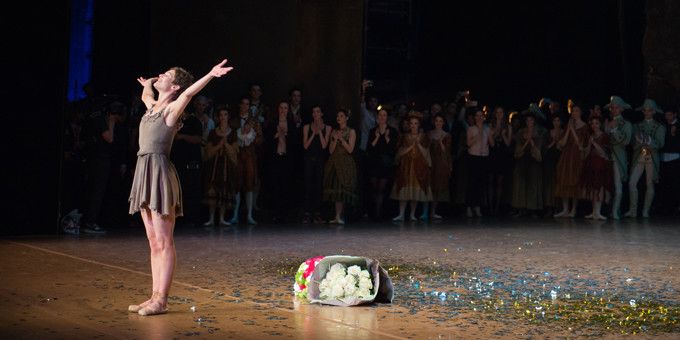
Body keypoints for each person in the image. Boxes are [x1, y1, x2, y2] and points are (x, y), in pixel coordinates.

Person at [128, 59, 233, 316]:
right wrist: (149, 83)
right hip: (144, 171)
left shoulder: (171, 110)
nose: (161, 74)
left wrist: (210, 74)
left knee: (164, 241)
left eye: (167, 75)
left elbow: (188, 92)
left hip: (159, 173)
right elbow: (145, 95)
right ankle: (154, 296)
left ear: (174, 86)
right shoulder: (152, 106)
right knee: (153, 241)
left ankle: (161, 300)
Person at [625, 99, 666, 218]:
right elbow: (633, 143)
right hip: (639, 156)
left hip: (651, 158)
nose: (647, 112)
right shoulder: (637, 126)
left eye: (649, 110)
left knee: (650, 184)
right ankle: (633, 210)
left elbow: (660, 144)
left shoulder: (659, 127)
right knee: (632, 182)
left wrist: (649, 141)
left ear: (654, 112)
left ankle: (645, 211)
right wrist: (638, 141)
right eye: (645, 110)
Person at [391, 112, 433, 221]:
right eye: (411, 123)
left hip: (419, 165)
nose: (413, 125)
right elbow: (399, 151)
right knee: (404, 190)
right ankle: (401, 214)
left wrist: (417, 144)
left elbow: (426, 151)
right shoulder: (404, 136)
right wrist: (410, 147)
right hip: (406, 166)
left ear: (419, 125)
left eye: (416, 123)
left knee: (415, 191)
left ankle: (412, 214)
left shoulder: (423, 137)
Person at [202, 105, 238, 227]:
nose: (223, 117)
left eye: (225, 115)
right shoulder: (213, 132)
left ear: (228, 117)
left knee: (224, 189)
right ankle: (211, 218)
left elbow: (234, 151)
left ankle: (222, 218)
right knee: (213, 190)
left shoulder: (232, 133)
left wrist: (225, 144)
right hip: (214, 165)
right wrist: (219, 145)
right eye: (221, 115)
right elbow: (208, 150)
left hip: (226, 166)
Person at [554, 102, 589, 218]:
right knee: (564, 179)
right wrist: (568, 129)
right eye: (573, 111)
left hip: (576, 156)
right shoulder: (569, 125)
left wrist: (572, 130)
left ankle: (573, 209)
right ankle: (565, 209)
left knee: (575, 180)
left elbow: (580, 144)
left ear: (581, 112)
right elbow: (562, 143)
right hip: (567, 155)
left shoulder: (584, 126)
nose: (574, 113)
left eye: (577, 111)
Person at [323, 109, 357, 224]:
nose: (339, 118)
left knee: (343, 190)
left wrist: (341, 139)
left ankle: (342, 215)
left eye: (341, 116)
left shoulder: (351, 131)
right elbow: (331, 150)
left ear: (346, 118)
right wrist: (334, 139)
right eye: (338, 116)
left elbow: (350, 149)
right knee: (336, 190)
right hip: (334, 162)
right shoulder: (334, 131)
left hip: (345, 163)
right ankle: (337, 216)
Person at [301, 105, 332, 223]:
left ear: (321, 114)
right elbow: (305, 146)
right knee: (308, 185)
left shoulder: (328, 128)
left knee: (319, 185)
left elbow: (324, 146)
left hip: (320, 159)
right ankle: (307, 213)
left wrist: (320, 132)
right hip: (308, 159)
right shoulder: (306, 127)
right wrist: (313, 133)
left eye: (318, 112)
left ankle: (318, 213)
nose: (315, 114)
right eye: (314, 112)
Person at [604, 96, 633, 220]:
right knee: (606, 184)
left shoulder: (626, 124)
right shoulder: (607, 122)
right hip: (606, 156)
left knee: (618, 185)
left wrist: (614, 130)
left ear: (621, 109)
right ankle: (607, 210)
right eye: (612, 108)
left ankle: (616, 211)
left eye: (616, 108)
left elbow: (625, 141)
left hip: (618, 156)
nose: (614, 110)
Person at [366, 108, 397, 220]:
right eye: (380, 115)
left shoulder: (392, 131)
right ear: (377, 117)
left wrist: (387, 138)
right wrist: (377, 137)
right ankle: (373, 212)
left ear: (387, 117)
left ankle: (380, 213)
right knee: (374, 188)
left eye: (384, 115)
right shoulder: (372, 131)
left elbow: (392, 149)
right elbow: (369, 148)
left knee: (382, 188)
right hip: (374, 163)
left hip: (385, 164)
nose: (382, 117)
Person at [581, 116, 612, 220]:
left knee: (599, 187)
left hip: (600, 165)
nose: (594, 125)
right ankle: (594, 211)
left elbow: (604, 153)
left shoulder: (604, 136)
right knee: (592, 187)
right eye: (592, 123)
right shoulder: (590, 136)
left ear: (600, 124)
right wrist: (590, 144)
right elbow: (585, 154)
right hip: (591, 164)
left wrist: (594, 142)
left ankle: (598, 212)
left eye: (597, 123)